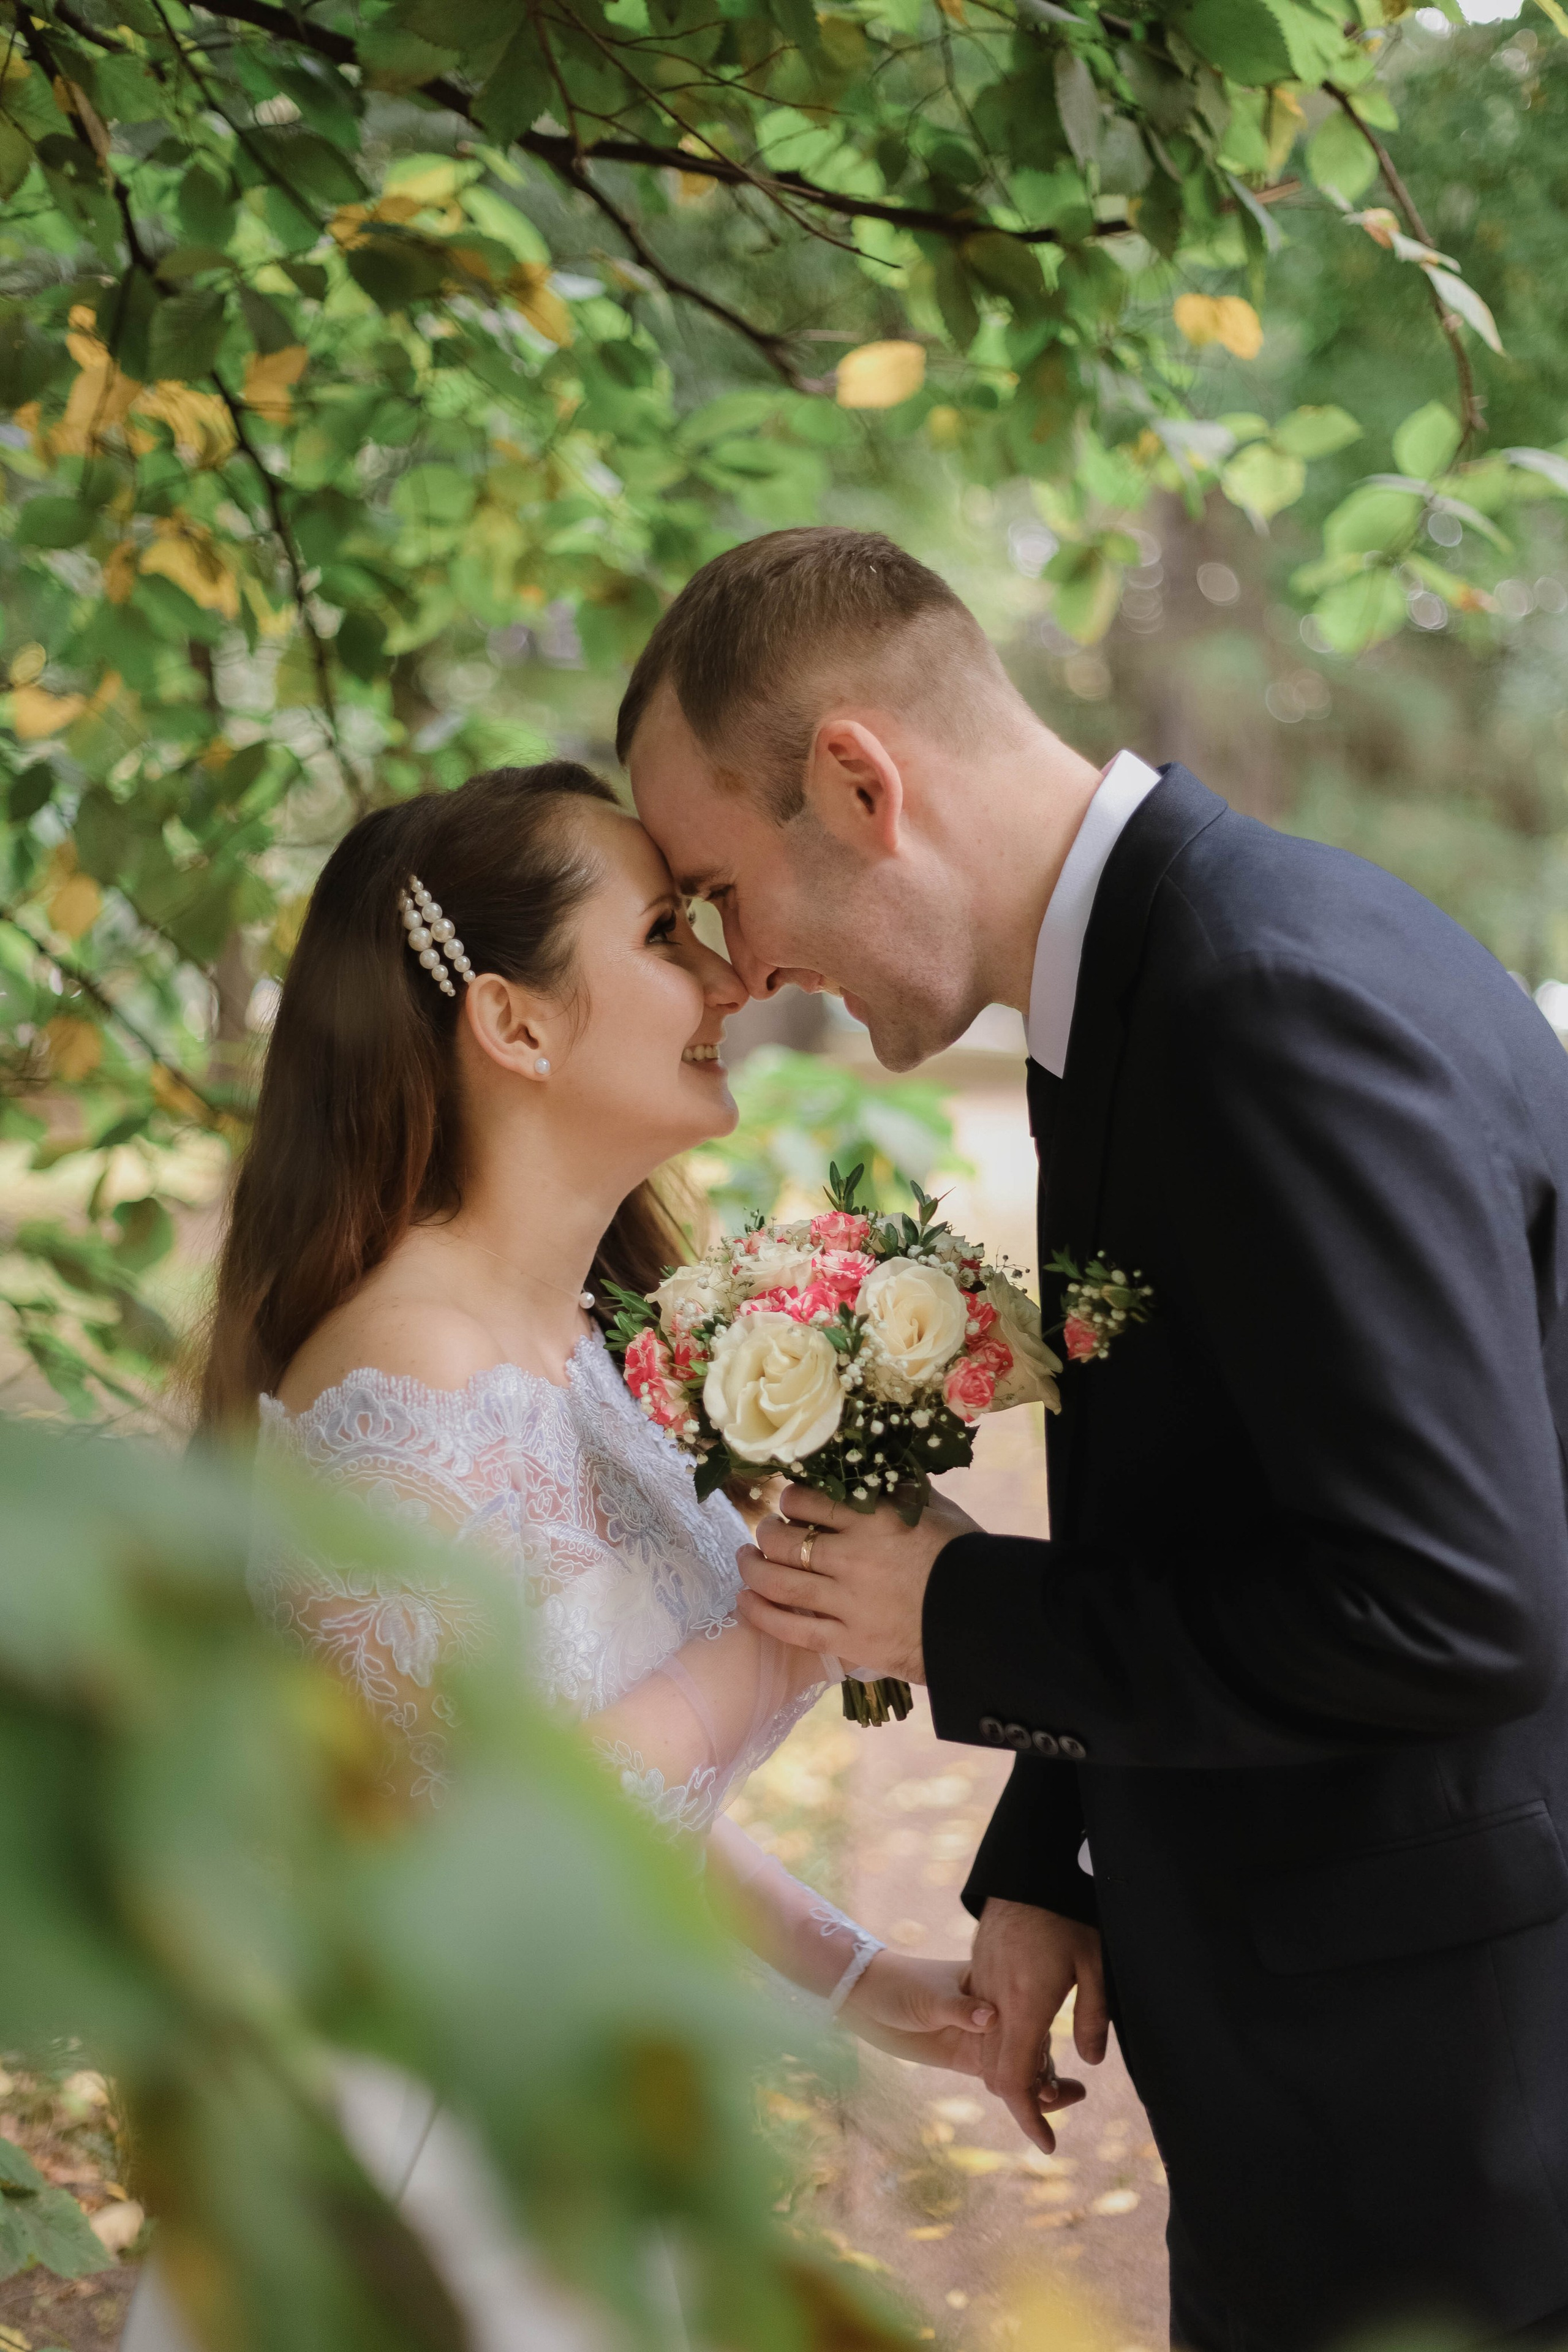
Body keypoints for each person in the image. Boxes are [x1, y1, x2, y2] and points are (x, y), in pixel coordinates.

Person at [623, 526, 1568, 2351]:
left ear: (860, 783)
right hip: (1343, 2077)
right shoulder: (1160, 979)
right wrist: (1056, 1851)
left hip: (1442, 2122)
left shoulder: (1258, 1004)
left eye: (723, 891)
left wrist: (955, 1616)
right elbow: (1224, 1500)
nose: (742, 970)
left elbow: (1453, 1607)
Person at [132, 762, 994, 2351]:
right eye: (668, 933)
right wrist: (796, 1616)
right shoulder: (406, 1377)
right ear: (514, 1024)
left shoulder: (588, 1340)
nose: (732, 979)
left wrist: (857, 1977)